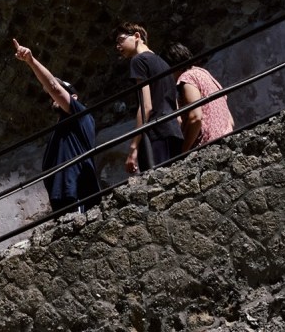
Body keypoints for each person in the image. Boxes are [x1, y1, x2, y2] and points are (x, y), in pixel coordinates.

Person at [12, 40, 100, 212]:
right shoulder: (64, 125)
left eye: (60, 92)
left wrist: (31, 61)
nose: (53, 97)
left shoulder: (80, 113)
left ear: (74, 97)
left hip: (76, 189)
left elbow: (53, 87)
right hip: (62, 193)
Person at [114, 22, 183, 174]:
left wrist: (133, 147)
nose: (118, 47)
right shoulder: (164, 64)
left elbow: (146, 106)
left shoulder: (138, 61)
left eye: (120, 40)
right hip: (174, 132)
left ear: (137, 36)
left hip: (156, 134)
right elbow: (176, 111)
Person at [168, 42, 235, 151]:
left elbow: (195, 117)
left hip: (208, 146)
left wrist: (184, 150)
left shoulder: (187, 77)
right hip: (227, 138)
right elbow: (230, 120)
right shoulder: (205, 73)